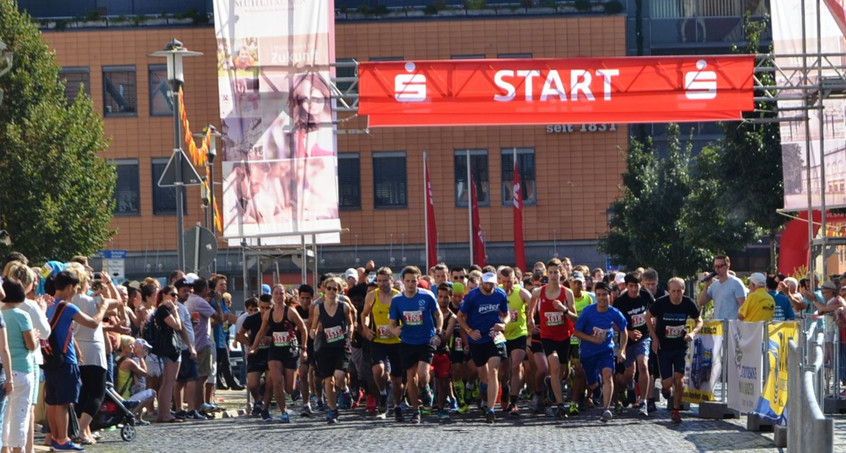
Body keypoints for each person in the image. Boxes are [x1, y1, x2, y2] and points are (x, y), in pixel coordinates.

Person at [43, 270, 107, 451]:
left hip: (50, 359)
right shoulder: (68, 307)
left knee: (53, 402)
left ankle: (54, 437)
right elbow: (93, 324)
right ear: (70, 287)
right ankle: (63, 439)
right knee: (64, 403)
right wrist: (102, 309)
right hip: (65, 360)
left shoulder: (46, 304)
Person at [389, 266, 443, 424]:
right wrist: (395, 330)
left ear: (418, 280)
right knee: (411, 378)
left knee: (422, 374)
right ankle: (415, 410)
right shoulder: (397, 300)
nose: (411, 284)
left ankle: (425, 388)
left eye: (414, 281)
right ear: (403, 281)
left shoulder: (427, 296)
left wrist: (438, 330)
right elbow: (392, 323)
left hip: (426, 340)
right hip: (407, 341)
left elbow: (437, 314)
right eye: (408, 281)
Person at [646, 277, 703, 424]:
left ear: (683, 290)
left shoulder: (688, 303)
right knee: (667, 382)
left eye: (679, 291)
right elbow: (648, 316)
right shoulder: (661, 303)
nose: (676, 294)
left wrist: (693, 333)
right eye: (673, 291)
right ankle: (666, 389)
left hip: (680, 346)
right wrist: (654, 336)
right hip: (663, 347)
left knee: (679, 379)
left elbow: (699, 320)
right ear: (669, 291)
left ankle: (676, 411)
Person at [251, 285, 308, 423]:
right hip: (275, 351)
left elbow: (303, 329)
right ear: (273, 296)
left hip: (290, 350)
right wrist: (253, 347)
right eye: (276, 293)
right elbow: (261, 331)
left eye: (281, 294)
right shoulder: (268, 313)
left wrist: (304, 348)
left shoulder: (291, 312)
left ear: (284, 296)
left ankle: (295, 386)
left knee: (289, 388)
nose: (278, 296)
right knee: (276, 381)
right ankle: (284, 412)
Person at [458, 271, 509, 424]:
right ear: (481, 282)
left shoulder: (500, 294)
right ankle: (483, 398)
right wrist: (469, 332)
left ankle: (491, 409)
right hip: (477, 339)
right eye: (486, 283)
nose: (489, 286)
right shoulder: (472, 296)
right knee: (484, 376)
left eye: (491, 283)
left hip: (494, 336)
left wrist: (503, 323)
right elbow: (460, 317)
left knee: (493, 370)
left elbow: (506, 313)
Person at [573, 281, 628, 423]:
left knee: (608, 374)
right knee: (592, 384)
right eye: (599, 295)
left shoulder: (614, 313)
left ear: (610, 296)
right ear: (595, 296)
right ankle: (596, 389)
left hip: (606, 351)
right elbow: (577, 332)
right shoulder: (588, 312)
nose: (602, 298)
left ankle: (606, 409)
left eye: (604, 294)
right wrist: (592, 339)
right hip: (588, 353)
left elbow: (624, 331)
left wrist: (622, 350)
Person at [528, 259, 576, 419]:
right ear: (547, 274)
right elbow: (531, 305)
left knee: (563, 371)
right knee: (554, 365)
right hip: (547, 337)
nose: (554, 275)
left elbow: (576, 319)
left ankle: (551, 385)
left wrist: (564, 310)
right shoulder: (539, 292)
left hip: (564, 336)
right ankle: (560, 405)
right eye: (551, 272)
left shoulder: (566, 293)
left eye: (556, 272)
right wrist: (530, 319)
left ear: (561, 273)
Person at [310, 277, 355, 424]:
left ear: (339, 290)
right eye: (328, 288)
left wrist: (349, 335)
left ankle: (344, 389)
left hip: (341, 347)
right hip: (325, 347)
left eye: (334, 289)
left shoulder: (344, 306)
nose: (331, 291)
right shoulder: (319, 307)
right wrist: (313, 332)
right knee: (328, 381)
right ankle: (333, 409)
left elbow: (351, 323)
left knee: (339, 376)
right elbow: (314, 325)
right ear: (324, 289)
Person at [360, 267, 403, 419]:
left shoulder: (399, 296)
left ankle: (397, 405)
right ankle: (383, 393)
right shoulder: (372, 296)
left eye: (385, 280)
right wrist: (365, 329)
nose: (382, 284)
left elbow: (406, 317)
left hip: (396, 342)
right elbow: (364, 314)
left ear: (392, 280)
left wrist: (399, 329)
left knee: (397, 380)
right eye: (379, 281)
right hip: (378, 340)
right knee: (378, 370)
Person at [612, 272, 654, 417]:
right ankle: (626, 387)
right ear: (626, 286)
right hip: (627, 340)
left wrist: (652, 320)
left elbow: (653, 310)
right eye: (631, 286)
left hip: (644, 337)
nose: (634, 290)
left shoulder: (646, 295)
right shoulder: (620, 301)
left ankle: (643, 401)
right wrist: (628, 332)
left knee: (643, 365)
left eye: (636, 286)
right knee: (628, 374)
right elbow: (614, 324)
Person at [1, 278, 35, 453]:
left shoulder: (1, 313)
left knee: (4, 416)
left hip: (4, 369)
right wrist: (35, 337)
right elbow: (31, 345)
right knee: (20, 414)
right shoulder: (22, 315)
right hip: (22, 368)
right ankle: (17, 450)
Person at [150, 286, 184, 423]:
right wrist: (175, 311)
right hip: (169, 349)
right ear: (164, 295)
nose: (175, 298)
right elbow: (177, 326)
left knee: (168, 382)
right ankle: (165, 414)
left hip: (170, 348)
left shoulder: (162, 310)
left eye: (176, 295)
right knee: (168, 382)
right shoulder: (163, 310)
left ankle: (164, 413)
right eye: (172, 295)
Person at [500, 266, 531, 417]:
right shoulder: (497, 292)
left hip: (519, 333)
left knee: (516, 365)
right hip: (502, 335)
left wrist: (530, 319)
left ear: (515, 280)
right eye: (504, 281)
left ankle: (514, 402)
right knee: (503, 370)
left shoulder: (520, 292)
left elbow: (534, 303)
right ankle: (504, 388)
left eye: (510, 281)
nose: (507, 284)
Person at [115, 336, 157, 423]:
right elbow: (145, 373)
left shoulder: (118, 359)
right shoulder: (128, 362)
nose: (133, 347)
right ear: (124, 347)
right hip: (126, 397)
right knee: (152, 393)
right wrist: (141, 357)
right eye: (130, 345)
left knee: (141, 390)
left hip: (120, 394)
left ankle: (137, 418)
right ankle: (130, 415)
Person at [434, 283, 458, 421]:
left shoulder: (452, 317)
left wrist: (437, 334)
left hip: (443, 352)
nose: (443, 300)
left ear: (450, 298)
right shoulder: (432, 312)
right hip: (428, 351)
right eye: (440, 296)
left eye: (446, 297)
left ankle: (441, 408)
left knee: (443, 382)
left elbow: (446, 337)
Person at [698, 255, 746, 320]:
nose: (717, 269)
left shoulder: (736, 283)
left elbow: (743, 307)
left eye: (720, 266)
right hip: (717, 325)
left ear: (727, 266)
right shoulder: (714, 285)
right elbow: (701, 302)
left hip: (731, 327)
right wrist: (706, 287)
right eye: (715, 266)